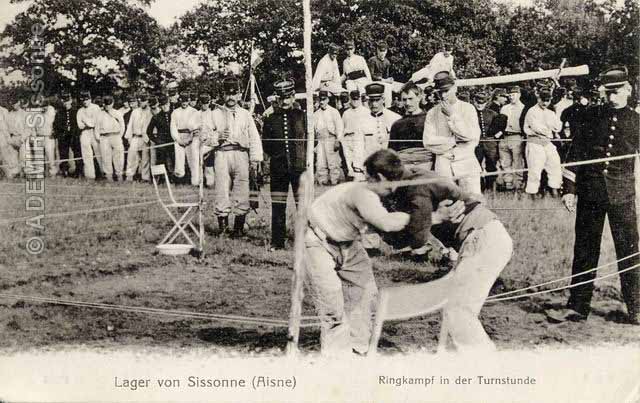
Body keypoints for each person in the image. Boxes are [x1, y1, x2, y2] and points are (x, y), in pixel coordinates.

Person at [375, 148, 512, 352]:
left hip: (482, 239)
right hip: (479, 239)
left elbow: (416, 239)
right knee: (456, 311)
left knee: (458, 311)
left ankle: (484, 366)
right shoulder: (413, 182)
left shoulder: (415, 188)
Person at [554, 66, 640, 325]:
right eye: (608, 92)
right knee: (585, 248)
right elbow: (575, 154)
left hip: (622, 195)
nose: (611, 97)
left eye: (616, 92)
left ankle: (636, 308)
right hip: (590, 193)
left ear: (628, 90)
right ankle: (578, 306)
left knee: (629, 250)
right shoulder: (591, 117)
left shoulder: (637, 122)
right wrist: (569, 190)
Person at [305, 152, 411, 355]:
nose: (394, 189)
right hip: (316, 241)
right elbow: (386, 224)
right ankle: (336, 360)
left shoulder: (373, 193)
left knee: (366, 293)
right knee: (332, 303)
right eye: (392, 184)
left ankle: (358, 349)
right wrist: (430, 217)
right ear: (380, 178)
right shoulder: (361, 193)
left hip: (347, 243)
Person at [210, 78, 263, 237]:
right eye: (227, 94)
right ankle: (224, 229)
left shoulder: (246, 115)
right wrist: (217, 137)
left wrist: (255, 159)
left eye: (234, 94)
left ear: (240, 94)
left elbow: (254, 137)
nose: (231, 98)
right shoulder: (214, 114)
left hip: (241, 155)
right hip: (222, 154)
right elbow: (204, 136)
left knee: (242, 190)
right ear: (223, 95)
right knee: (222, 190)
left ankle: (238, 229)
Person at [262, 80, 307, 250]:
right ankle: (277, 242)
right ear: (277, 99)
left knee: (302, 205)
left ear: (293, 96)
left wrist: (302, 159)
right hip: (278, 169)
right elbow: (266, 143)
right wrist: (277, 157)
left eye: (288, 97)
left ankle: (305, 241)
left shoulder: (302, 116)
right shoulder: (271, 119)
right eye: (282, 98)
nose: (286, 101)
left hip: (299, 168)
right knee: (278, 205)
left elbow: (312, 141)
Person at [423, 71, 481, 194]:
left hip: (466, 159)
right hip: (443, 162)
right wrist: (454, 142)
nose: (443, 96)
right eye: (440, 92)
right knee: (446, 200)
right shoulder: (432, 113)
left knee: (473, 199)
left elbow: (469, 135)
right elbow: (428, 142)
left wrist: (452, 116)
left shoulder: (468, 109)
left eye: (446, 91)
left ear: (454, 88)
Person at [522, 87, 562, 198]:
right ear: (538, 98)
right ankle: (532, 193)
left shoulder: (551, 112)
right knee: (535, 168)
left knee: (554, 165)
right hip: (535, 142)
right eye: (543, 100)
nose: (545, 103)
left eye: (547, 100)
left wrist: (551, 125)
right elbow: (536, 128)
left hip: (547, 142)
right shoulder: (532, 111)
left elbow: (558, 127)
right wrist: (549, 127)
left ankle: (554, 189)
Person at [389, 82, 433, 170]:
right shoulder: (397, 124)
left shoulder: (429, 119)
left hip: (426, 164)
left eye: (411, 98)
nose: (407, 103)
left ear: (419, 97)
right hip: (404, 167)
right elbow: (392, 151)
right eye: (404, 99)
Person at [473, 89, 506, 191]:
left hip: (490, 142)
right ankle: (479, 186)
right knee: (476, 164)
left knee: (491, 163)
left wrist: (497, 136)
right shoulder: (471, 112)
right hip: (476, 142)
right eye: (478, 102)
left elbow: (502, 127)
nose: (479, 105)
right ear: (474, 101)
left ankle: (490, 186)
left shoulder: (493, 113)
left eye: (482, 103)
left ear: (486, 102)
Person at [170, 92, 201, 186]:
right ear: (180, 101)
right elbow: (173, 127)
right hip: (179, 137)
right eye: (182, 101)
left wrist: (190, 138)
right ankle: (179, 182)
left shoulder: (194, 111)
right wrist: (178, 139)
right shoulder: (175, 112)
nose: (184, 103)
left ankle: (195, 182)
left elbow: (196, 127)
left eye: (186, 101)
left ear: (188, 101)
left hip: (191, 138)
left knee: (193, 160)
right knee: (179, 161)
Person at [498, 85, 526, 190]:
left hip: (516, 136)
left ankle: (518, 183)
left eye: (513, 94)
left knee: (517, 161)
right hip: (504, 136)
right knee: (505, 161)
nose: (511, 97)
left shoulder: (523, 108)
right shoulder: (505, 108)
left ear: (519, 95)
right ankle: (508, 183)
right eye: (509, 95)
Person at [314, 90, 344, 185]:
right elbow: (314, 129)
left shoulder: (334, 112)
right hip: (320, 140)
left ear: (327, 99)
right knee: (321, 162)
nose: (322, 102)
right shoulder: (316, 114)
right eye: (320, 100)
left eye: (324, 99)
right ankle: (323, 181)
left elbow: (339, 126)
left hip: (331, 139)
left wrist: (338, 140)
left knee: (333, 162)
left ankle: (334, 180)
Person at [340, 89, 369, 181]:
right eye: (353, 99)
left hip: (359, 138)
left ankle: (361, 179)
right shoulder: (346, 113)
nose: (355, 101)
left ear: (360, 99)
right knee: (349, 161)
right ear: (350, 99)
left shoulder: (366, 112)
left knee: (359, 160)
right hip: (348, 138)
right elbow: (342, 127)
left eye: (357, 99)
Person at [96, 95, 125, 182]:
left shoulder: (117, 113)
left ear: (112, 103)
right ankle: (109, 176)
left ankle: (119, 175)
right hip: (104, 137)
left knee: (118, 156)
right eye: (106, 104)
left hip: (115, 136)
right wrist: (99, 138)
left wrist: (120, 136)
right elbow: (96, 127)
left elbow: (122, 125)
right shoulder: (100, 114)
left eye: (109, 104)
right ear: (103, 104)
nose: (107, 106)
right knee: (105, 157)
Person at [124, 93, 153, 182]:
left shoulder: (150, 112)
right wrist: (128, 137)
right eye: (140, 101)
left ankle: (145, 177)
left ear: (147, 102)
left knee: (145, 158)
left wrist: (149, 139)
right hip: (135, 137)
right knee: (131, 156)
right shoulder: (135, 111)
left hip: (145, 137)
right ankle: (129, 175)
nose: (142, 103)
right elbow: (130, 125)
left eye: (144, 101)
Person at [76, 91, 103, 180]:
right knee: (86, 154)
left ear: (90, 99)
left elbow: (95, 122)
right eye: (83, 100)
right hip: (85, 133)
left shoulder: (96, 108)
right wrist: (89, 122)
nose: (85, 101)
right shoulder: (80, 111)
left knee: (99, 152)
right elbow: (80, 125)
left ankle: (104, 173)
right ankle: (90, 175)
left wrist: (86, 121)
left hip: (95, 131)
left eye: (86, 99)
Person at [53, 91, 81, 178]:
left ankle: (78, 171)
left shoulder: (76, 111)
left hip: (74, 135)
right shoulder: (59, 113)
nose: (66, 103)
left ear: (71, 100)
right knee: (63, 154)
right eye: (64, 101)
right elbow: (55, 125)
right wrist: (59, 133)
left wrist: (76, 133)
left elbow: (79, 124)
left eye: (67, 100)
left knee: (77, 153)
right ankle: (64, 171)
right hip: (63, 136)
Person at [147, 94, 174, 177]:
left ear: (169, 104)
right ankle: (161, 178)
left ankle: (174, 178)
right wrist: (156, 140)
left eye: (166, 105)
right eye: (162, 105)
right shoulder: (156, 117)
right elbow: (149, 132)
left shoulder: (174, 114)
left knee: (174, 160)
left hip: (173, 141)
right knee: (161, 160)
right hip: (161, 142)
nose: (164, 107)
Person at [368, 41, 395, 108]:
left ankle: (390, 106)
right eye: (380, 51)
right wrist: (384, 80)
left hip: (382, 82)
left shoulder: (387, 62)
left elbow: (386, 76)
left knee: (393, 85)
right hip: (373, 81)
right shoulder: (372, 60)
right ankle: (388, 106)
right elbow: (371, 75)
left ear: (386, 51)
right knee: (387, 86)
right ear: (377, 50)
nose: (382, 53)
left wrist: (389, 79)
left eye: (384, 51)